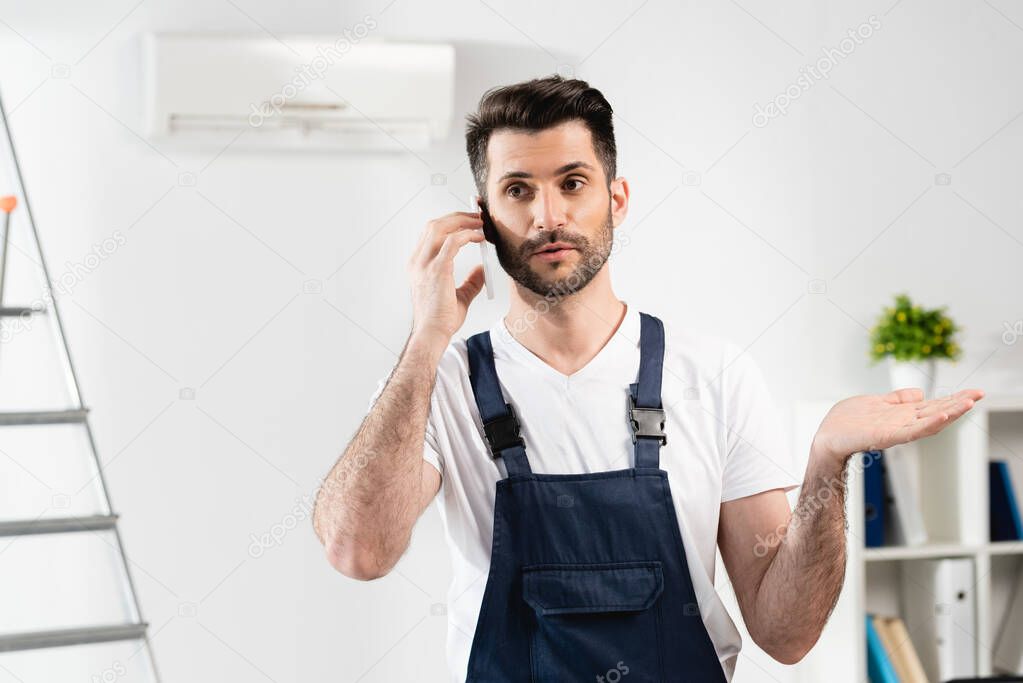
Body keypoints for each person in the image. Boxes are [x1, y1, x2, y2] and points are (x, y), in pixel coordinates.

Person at [312, 75, 983, 682]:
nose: (548, 215)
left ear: (616, 196)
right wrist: (427, 338)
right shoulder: (440, 381)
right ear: (481, 216)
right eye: (517, 190)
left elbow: (785, 634)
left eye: (571, 182)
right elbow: (356, 549)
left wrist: (825, 462)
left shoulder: (711, 374)